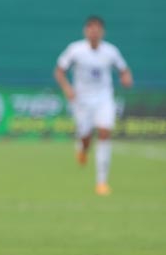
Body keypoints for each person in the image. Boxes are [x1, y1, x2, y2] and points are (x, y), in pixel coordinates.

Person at [54, 16, 132, 196]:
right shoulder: (75, 50)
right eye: (91, 29)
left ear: (102, 32)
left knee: (105, 132)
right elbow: (59, 70)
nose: (94, 32)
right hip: (82, 99)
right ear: (86, 31)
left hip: (104, 98)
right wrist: (67, 88)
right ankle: (82, 148)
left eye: (97, 29)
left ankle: (102, 182)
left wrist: (126, 77)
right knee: (85, 136)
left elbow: (123, 69)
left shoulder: (110, 51)